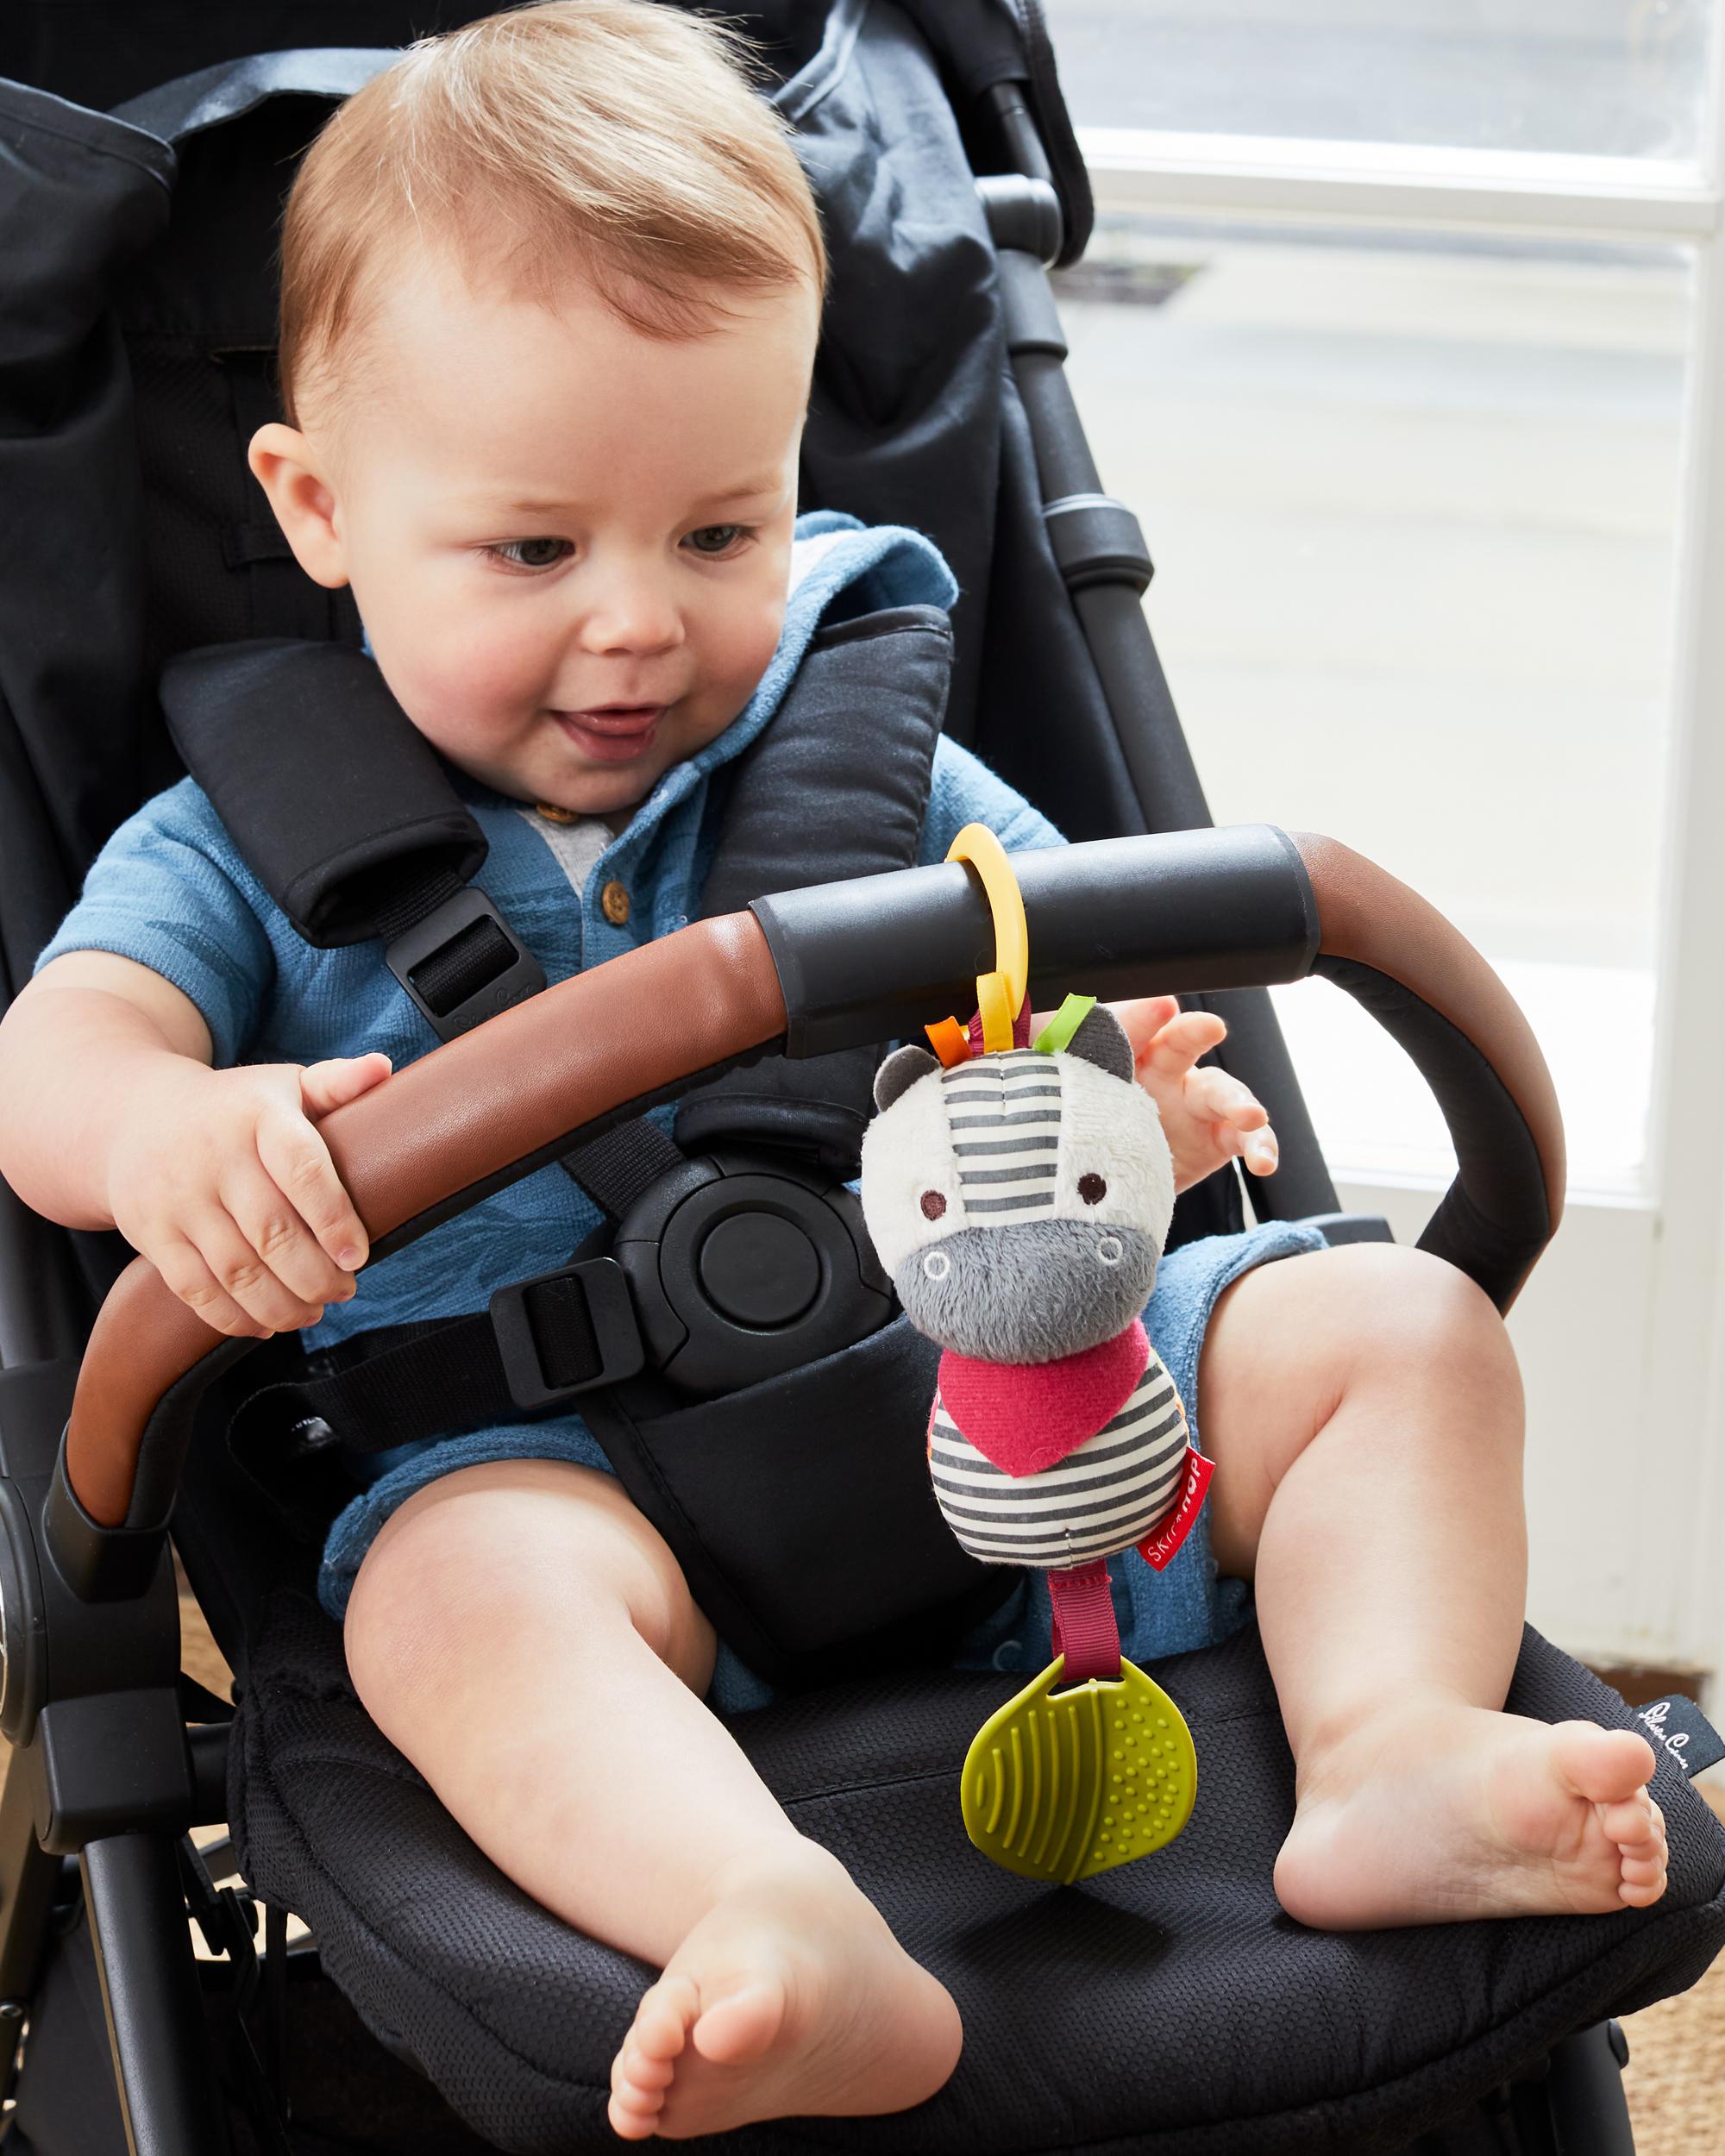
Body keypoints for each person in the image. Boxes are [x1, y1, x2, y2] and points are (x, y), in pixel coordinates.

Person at [0, 3, 1667, 2141]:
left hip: (1027, 1413)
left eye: (720, 531)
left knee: (1393, 1323)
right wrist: (163, 1124)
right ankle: (766, 1907)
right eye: (533, 551)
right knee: (453, 1602)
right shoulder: (238, 832)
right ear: (315, 506)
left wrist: (1134, 1101)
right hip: (571, 1484)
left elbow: (1085, 974)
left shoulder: (865, 749)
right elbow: (58, 1052)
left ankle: (1387, 1745)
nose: (636, 625)